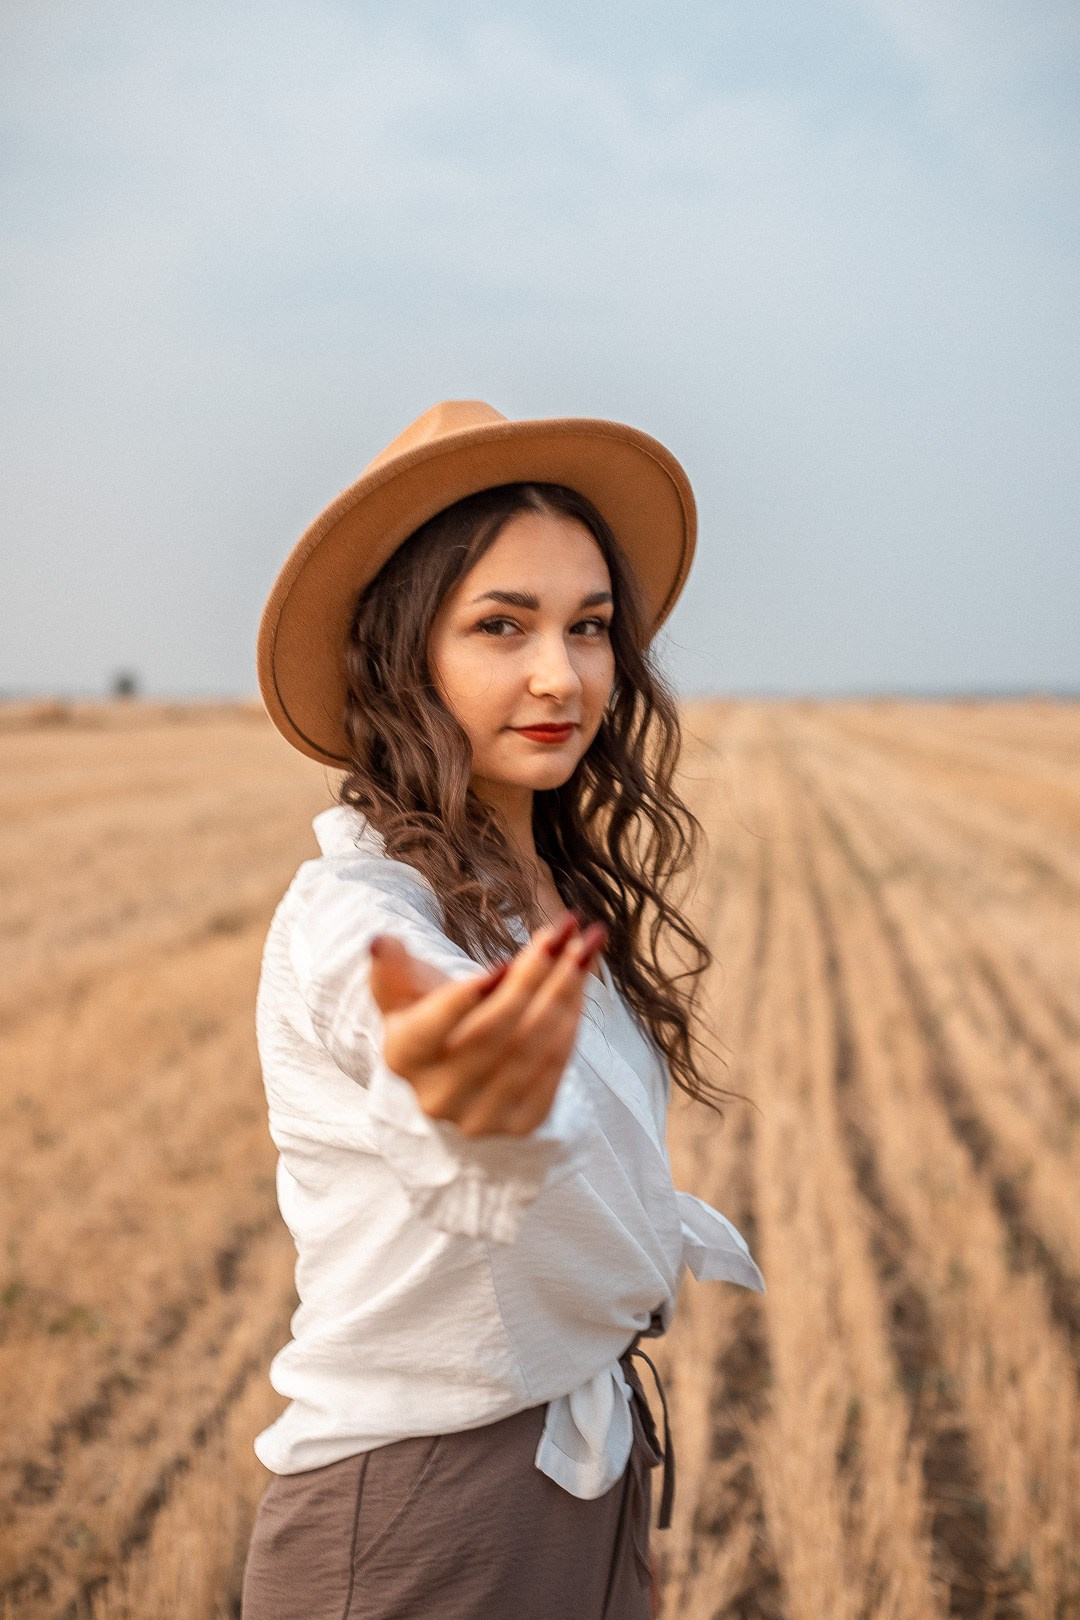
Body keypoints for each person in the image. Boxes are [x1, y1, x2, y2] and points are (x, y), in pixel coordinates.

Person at [241, 401, 764, 1620]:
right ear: (398, 654)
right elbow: (439, 1092)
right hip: (423, 1517)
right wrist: (465, 1105)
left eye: (588, 627)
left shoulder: (535, 890)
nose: (561, 673)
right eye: (500, 626)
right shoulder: (357, 916)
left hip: (576, 1473)